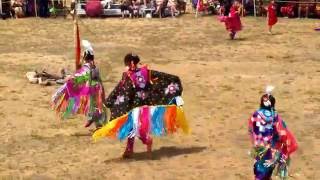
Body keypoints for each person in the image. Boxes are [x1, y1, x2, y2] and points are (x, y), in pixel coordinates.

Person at [93, 53, 189, 159]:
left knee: (135, 127)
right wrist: (175, 80)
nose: (127, 66)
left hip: (136, 108)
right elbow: (119, 89)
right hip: (136, 107)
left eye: (127, 63)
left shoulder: (135, 74)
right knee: (131, 127)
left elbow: (119, 89)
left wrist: (109, 101)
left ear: (132, 63)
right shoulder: (139, 73)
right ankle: (129, 149)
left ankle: (147, 141)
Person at [52, 40, 107, 130]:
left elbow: (83, 76)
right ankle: (94, 121)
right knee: (95, 106)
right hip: (96, 88)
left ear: (85, 58)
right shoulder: (94, 66)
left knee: (94, 106)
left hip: (91, 89)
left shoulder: (88, 67)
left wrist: (71, 78)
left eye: (83, 56)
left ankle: (97, 124)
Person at [248, 86, 298, 180]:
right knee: (262, 172)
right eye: (265, 100)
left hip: (268, 149)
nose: (266, 102)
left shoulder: (265, 115)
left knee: (262, 173)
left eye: (268, 101)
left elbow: (280, 132)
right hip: (262, 148)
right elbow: (252, 129)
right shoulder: (263, 115)